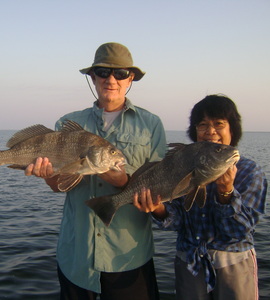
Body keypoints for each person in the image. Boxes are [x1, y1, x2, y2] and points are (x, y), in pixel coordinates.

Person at [25, 42, 167, 300]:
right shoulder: (69, 123)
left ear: (130, 78)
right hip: (78, 255)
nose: (111, 79)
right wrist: (48, 175)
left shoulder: (151, 125)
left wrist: (125, 181)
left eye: (120, 73)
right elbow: (59, 185)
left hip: (128, 256)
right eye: (102, 72)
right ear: (92, 77)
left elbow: (159, 187)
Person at [133, 94, 267, 300]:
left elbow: (240, 231)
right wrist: (158, 209)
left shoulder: (250, 171)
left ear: (233, 129)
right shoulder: (183, 164)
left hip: (233, 265)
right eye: (202, 125)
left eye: (219, 124)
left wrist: (226, 194)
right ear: (194, 131)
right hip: (189, 263)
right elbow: (176, 222)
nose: (210, 131)